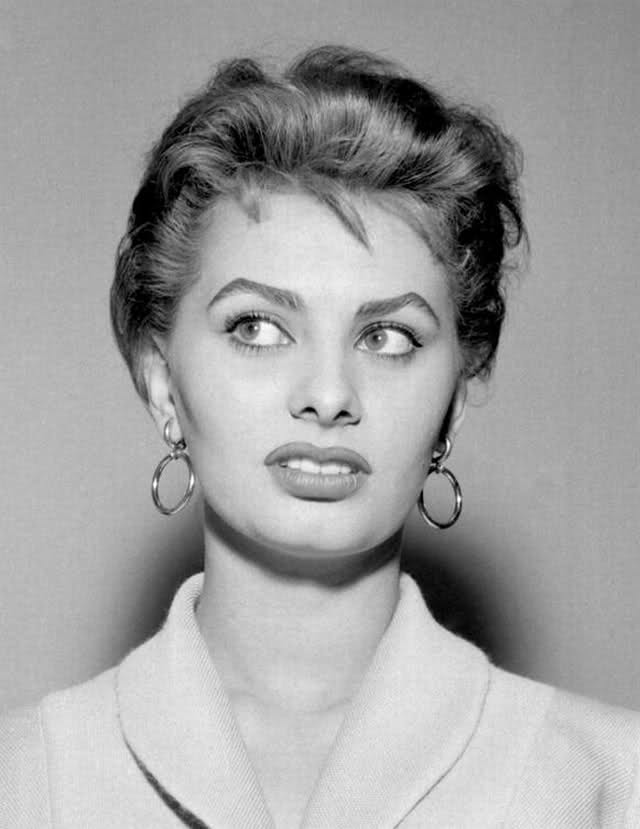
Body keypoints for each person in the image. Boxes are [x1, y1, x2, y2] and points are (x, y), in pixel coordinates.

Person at [1, 44, 639, 828]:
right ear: (161, 377)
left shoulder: (609, 785)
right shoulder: (23, 783)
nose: (329, 395)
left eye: (389, 337)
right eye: (258, 327)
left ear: (458, 393)